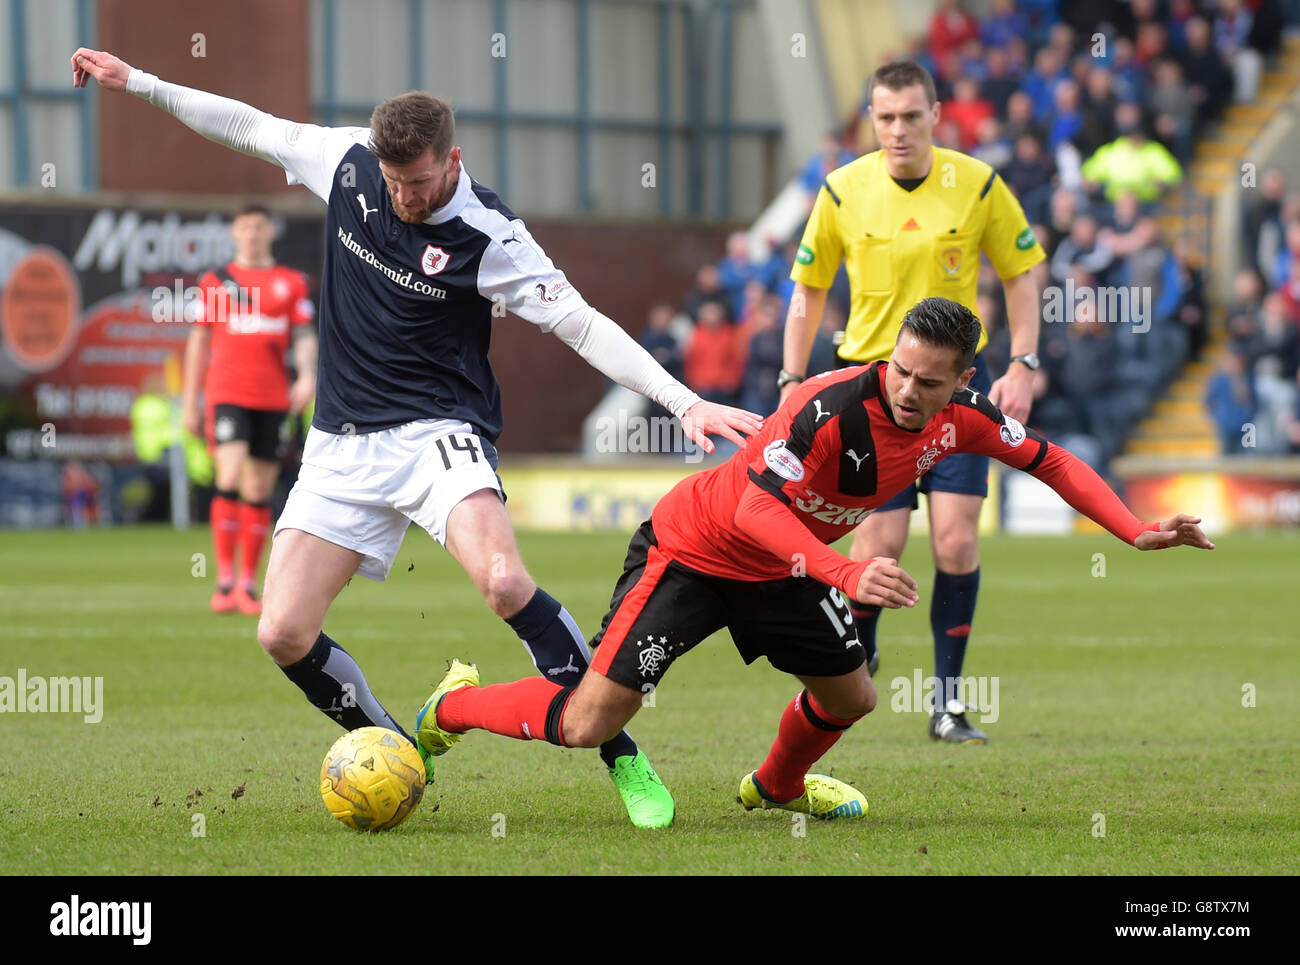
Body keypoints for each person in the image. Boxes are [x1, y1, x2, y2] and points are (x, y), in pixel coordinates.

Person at [71, 46, 760, 829]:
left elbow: (579, 321)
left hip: (439, 433)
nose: (404, 195)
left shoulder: (487, 232)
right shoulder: (348, 162)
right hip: (339, 442)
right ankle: (398, 751)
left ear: (452, 160)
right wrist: (144, 83)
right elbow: (249, 126)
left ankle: (621, 751)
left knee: (504, 581)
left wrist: (681, 400)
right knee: (281, 630)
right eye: (395, 181)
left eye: (420, 181)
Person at [412, 298, 1213, 819]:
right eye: (900, 368)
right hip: (694, 550)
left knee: (852, 695)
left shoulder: (962, 415)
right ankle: (451, 709)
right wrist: (844, 570)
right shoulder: (824, 407)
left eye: (928, 380)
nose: (907, 388)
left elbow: (1049, 459)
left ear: (961, 381)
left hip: (783, 569)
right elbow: (758, 507)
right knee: (589, 722)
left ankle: (775, 784)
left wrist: (1132, 529)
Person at [780, 59, 1045, 744]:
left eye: (910, 116)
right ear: (872, 119)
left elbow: (1022, 269)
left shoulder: (978, 184)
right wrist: (789, 377)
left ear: (935, 115)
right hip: (868, 392)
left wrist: (1024, 361)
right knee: (881, 544)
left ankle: (948, 703)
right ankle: (859, 659)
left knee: (956, 541)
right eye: (884, 117)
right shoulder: (841, 190)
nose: (897, 130)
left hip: (953, 393)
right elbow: (808, 288)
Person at [181, 204, 317, 616]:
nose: (252, 234)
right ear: (234, 233)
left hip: (273, 398)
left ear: (269, 232)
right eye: (244, 227)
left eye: (259, 227)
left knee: (258, 490)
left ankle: (247, 585)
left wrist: (307, 376)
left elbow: (304, 334)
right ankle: (223, 580)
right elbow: (198, 342)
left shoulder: (290, 282)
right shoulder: (216, 282)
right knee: (229, 471)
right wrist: (191, 401)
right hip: (228, 394)